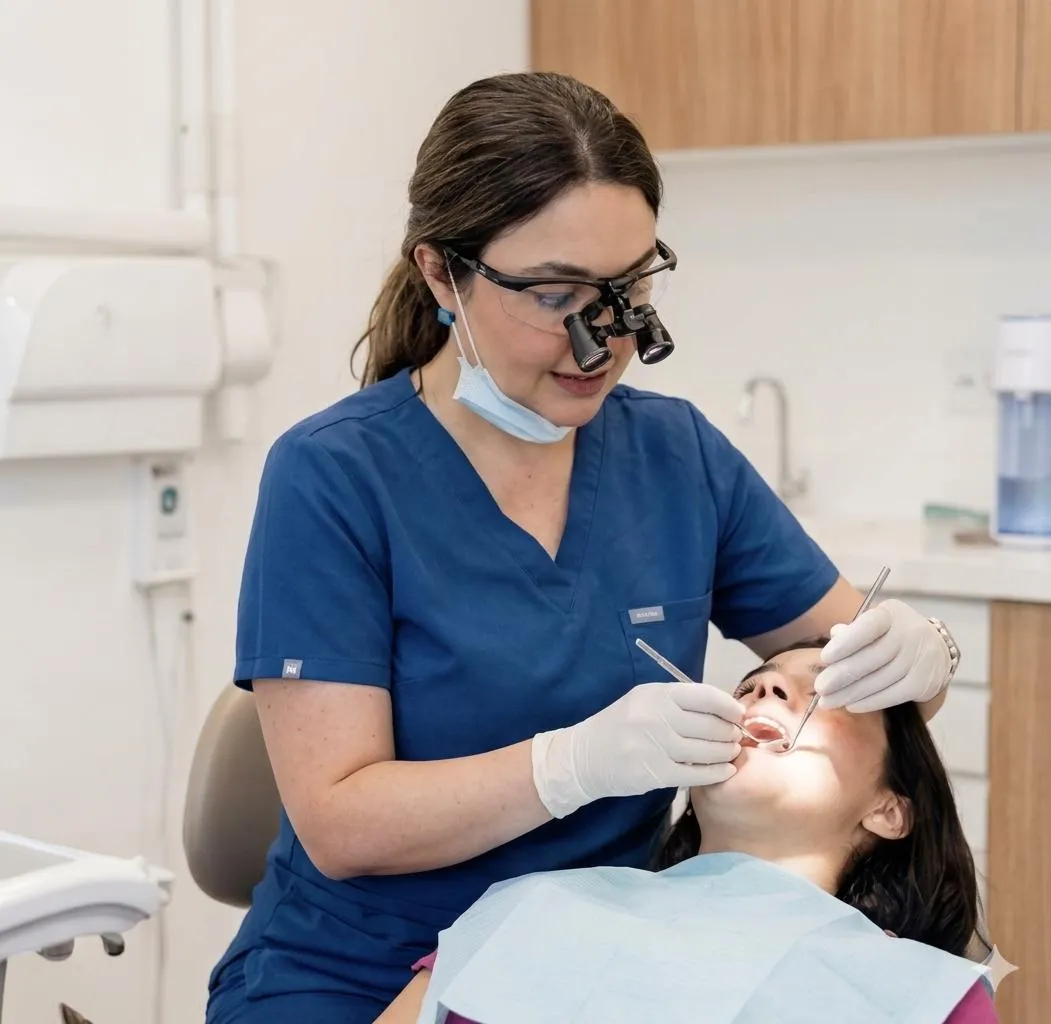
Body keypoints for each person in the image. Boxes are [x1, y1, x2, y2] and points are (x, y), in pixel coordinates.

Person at [205, 71, 962, 1023]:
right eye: (556, 294)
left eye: (629, 287)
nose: (600, 342)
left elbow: (877, 688)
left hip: (598, 967)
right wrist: (568, 766)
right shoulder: (335, 477)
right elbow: (343, 827)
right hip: (360, 977)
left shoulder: (675, 454)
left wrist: (921, 649)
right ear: (442, 273)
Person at [377, 641, 996, 1024]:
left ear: (891, 810)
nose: (763, 687)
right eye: (751, 683)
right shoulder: (531, 912)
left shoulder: (919, 998)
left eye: (828, 693)